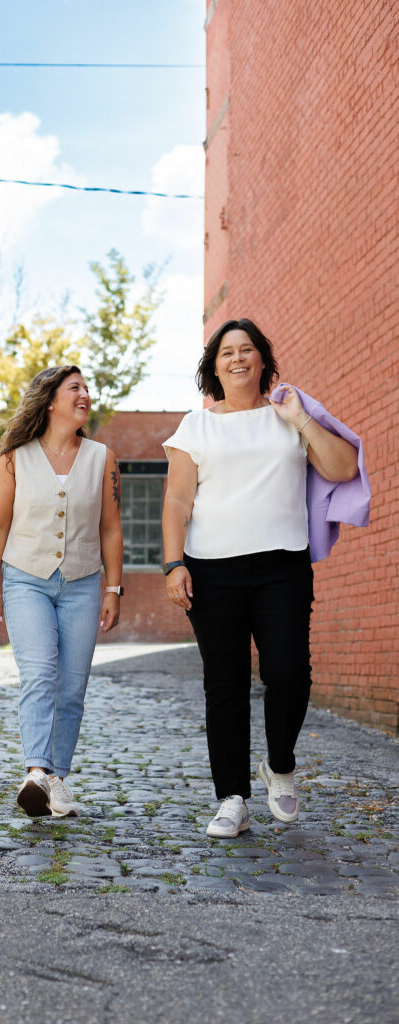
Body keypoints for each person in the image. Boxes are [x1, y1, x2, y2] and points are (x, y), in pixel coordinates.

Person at [162, 319, 359, 838]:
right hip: (212, 569)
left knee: (290, 671)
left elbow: (343, 468)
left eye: (247, 349)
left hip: (282, 567)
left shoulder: (288, 415)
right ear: (214, 366)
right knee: (224, 684)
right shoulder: (195, 427)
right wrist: (173, 563)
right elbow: (178, 501)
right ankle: (232, 799)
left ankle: (279, 763)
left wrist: (300, 420)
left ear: (261, 360)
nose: (238, 358)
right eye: (227, 351)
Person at [0, 365, 123, 818]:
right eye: (74, 388)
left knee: (72, 685)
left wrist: (114, 588)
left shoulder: (103, 457)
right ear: (49, 401)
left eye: (86, 388)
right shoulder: (14, 457)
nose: (85, 395)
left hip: (82, 582)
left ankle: (57, 778)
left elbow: (111, 528)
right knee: (40, 671)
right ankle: (37, 771)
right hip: (25, 578)